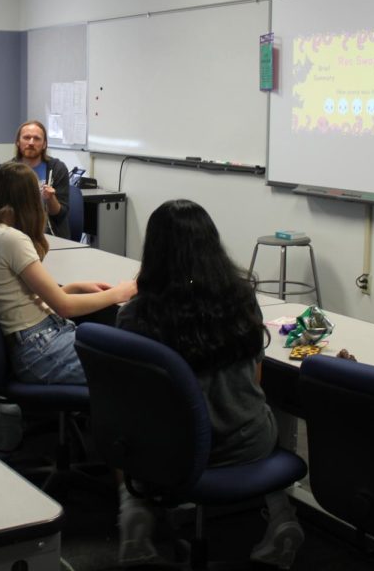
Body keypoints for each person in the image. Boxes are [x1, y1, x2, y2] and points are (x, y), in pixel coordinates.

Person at [115, 200, 303, 569]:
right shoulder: (242, 299)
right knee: (261, 410)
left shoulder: (135, 314)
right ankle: (281, 515)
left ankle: (133, 508)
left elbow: (131, 400)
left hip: (171, 454)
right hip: (246, 445)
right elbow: (256, 380)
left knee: (126, 422)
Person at [0, 162, 135, 384]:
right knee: (138, 367)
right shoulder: (11, 239)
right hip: (40, 349)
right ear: (29, 198)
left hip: (37, 341)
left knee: (127, 354)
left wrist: (75, 287)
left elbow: (23, 300)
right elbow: (64, 307)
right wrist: (119, 293)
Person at [13, 120, 71, 239]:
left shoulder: (57, 169)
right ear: (18, 142)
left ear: (44, 144)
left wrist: (50, 199)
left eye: (37, 138)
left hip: (50, 235)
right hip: (16, 234)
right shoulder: (8, 170)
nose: (31, 142)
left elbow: (59, 215)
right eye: (26, 137)